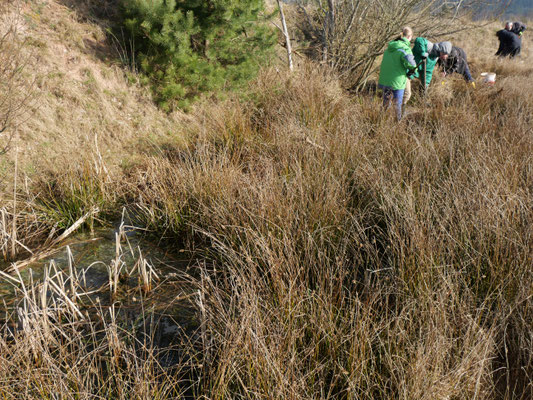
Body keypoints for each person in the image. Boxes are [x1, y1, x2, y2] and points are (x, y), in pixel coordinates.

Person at [378, 27, 417, 120]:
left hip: (385, 80)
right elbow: (412, 64)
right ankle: (397, 125)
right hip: (397, 82)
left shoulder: (389, 47)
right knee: (397, 106)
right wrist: (414, 70)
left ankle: (381, 122)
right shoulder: (404, 48)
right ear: (409, 37)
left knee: (385, 105)